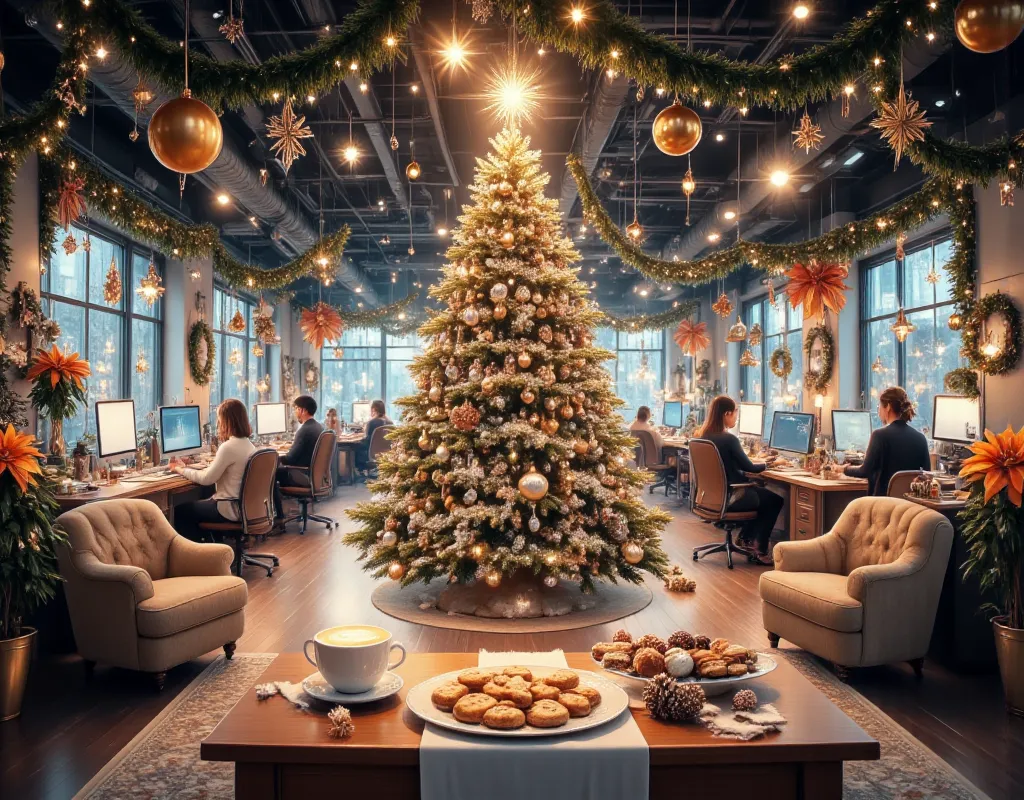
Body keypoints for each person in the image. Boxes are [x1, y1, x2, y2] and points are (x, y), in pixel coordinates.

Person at [695, 395, 783, 565]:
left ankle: (746, 539)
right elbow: (750, 467)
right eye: (736, 414)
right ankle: (759, 548)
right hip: (733, 496)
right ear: (727, 413)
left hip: (710, 497)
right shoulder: (729, 439)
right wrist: (770, 463)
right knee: (774, 500)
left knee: (761, 494)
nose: (736, 418)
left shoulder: (702, 437)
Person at [171, 399, 256, 540]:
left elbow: (206, 479)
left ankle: (200, 556)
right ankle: (213, 548)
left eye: (219, 419)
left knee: (180, 511)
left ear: (226, 421)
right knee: (205, 499)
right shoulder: (249, 445)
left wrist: (180, 469)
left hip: (229, 509)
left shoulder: (228, 447)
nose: (218, 423)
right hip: (243, 508)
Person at [843, 386, 930, 495]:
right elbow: (927, 474)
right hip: (909, 507)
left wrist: (844, 469)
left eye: (879, 406)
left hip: (883, 505)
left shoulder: (879, 435)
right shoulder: (920, 438)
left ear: (888, 407)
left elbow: (864, 471)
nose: (878, 410)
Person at [274, 395, 324, 520]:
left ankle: (279, 516)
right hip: (315, 476)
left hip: (301, 474)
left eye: (296, 408)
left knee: (270, 473)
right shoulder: (319, 427)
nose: (295, 412)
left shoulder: (304, 430)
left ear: (303, 410)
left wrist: (275, 457)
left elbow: (290, 459)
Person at [356, 399, 392, 472]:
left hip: (372, 452)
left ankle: (359, 471)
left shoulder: (371, 422)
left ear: (373, 409)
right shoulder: (390, 422)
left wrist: (357, 439)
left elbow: (366, 439)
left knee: (356, 446)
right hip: (387, 451)